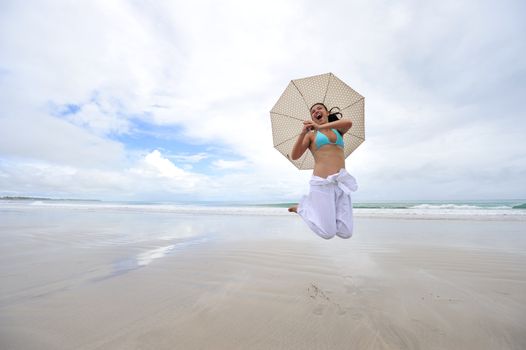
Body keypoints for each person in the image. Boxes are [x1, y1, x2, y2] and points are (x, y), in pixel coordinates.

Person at [288, 103, 358, 239]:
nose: (316, 112)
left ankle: (311, 209)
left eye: (319, 109)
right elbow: (295, 156)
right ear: (312, 118)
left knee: (346, 233)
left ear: (327, 112)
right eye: (312, 111)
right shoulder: (311, 136)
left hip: (340, 183)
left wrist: (321, 126)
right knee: (328, 233)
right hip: (321, 184)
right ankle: (301, 208)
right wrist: (303, 133)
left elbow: (348, 122)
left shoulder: (339, 131)